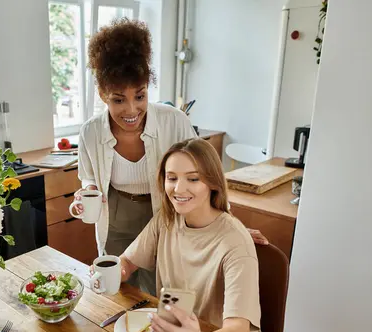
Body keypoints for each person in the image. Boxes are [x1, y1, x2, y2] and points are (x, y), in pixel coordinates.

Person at [76, 18, 267, 295]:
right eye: (119, 100)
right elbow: (89, 179)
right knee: (117, 292)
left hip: (166, 214)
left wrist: (228, 230)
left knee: (163, 293)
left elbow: (204, 177)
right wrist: (88, 193)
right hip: (115, 218)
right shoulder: (90, 132)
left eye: (139, 96)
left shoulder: (173, 121)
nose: (131, 109)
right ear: (103, 94)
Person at [120, 138, 261, 332]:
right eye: (171, 178)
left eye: (193, 179)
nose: (178, 188)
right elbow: (127, 262)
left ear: (212, 182)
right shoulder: (166, 220)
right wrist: (113, 270)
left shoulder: (236, 244)